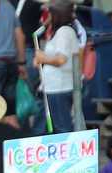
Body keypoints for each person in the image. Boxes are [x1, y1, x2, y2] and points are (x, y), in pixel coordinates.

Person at [32, 1, 79, 134]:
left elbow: (61, 59)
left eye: (50, 14)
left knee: (61, 127)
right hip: (52, 87)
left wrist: (43, 58)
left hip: (59, 88)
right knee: (41, 128)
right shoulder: (59, 33)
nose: (48, 17)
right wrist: (42, 59)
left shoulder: (64, 32)